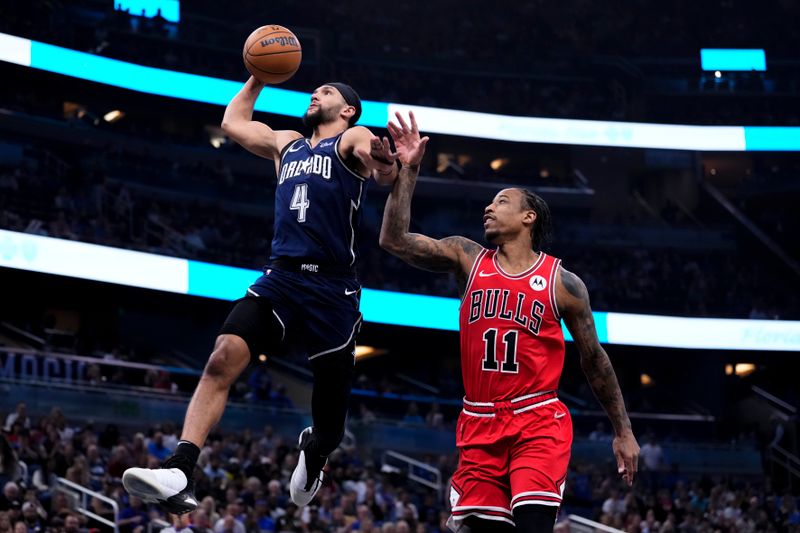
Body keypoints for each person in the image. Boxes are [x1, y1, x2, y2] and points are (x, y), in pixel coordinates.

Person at [123, 76, 402, 513]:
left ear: (348, 109)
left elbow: (379, 166)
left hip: (332, 290)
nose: (317, 93)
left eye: (328, 92)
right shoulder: (287, 143)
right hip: (282, 278)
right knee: (221, 357)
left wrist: (387, 164)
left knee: (330, 424)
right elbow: (233, 122)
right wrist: (258, 76)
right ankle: (180, 471)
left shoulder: (353, 137)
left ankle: (316, 450)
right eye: (316, 90)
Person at [378, 112, 640, 533]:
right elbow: (394, 240)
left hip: (537, 419)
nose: (488, 206)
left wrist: (622, 430)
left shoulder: (563, 283)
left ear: (528, 217)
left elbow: (594, 360)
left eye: (501, 201)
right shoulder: (467, 258)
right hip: (478, 420)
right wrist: (408, 171)